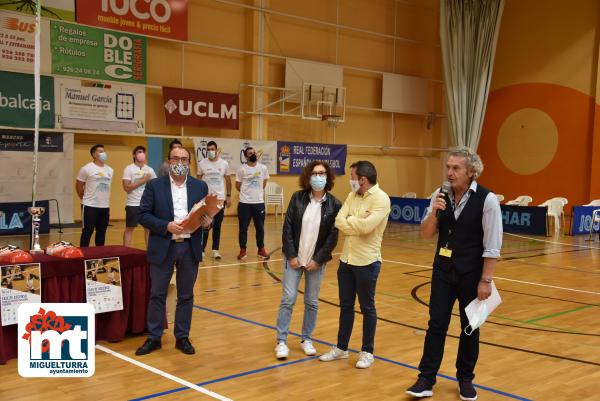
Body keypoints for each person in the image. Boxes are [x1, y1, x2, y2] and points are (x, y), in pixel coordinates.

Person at [405, 146, 502, 401]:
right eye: (448, 167)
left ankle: (465, 379)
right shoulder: (440, 195)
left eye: (456, 168)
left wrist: (486, 280)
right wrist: (436, 212)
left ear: (471, 172)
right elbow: (426, 234)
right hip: (443, 271)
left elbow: (493, 245)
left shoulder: (488, 200)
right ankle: (426, 378)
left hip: (472, 274)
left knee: (470, 327)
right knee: (436, 324)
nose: (450, 172)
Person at [136, 146, 211, 356]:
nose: (180, 163)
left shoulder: (200, 186)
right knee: (157, 294)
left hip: (190, 247)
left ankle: (182, 336)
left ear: (189, 162)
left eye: (184, 159)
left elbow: (205, 217)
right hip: (163, 245)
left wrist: (208, 222)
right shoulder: (154, 186)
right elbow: (143, 215)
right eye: (176, 159)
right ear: (169, 161)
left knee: (186, 295)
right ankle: (154, 337)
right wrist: (165, 226)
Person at [319, 161, 390, 369]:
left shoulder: (381, 199)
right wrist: (353, 223)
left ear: (362, 180)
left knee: (367, 307)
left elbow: (367, 227)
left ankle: (367, 351)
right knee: (345, 306)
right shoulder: (352, 196)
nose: (350, 180)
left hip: (367, 261)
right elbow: (339, 220)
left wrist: (352, 222)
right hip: (347, 260)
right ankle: (341, 348)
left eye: (352, 176)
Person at [274, 161, 342, 360]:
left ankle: (306, 338)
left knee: (311, 302)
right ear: (308, 176)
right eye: (315, 173)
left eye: (322, 173)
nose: (318, 177)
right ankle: (281, 341)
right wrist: (292, 255)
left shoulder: (334, 204)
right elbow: (287, 229)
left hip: (315, 263)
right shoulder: (297, 198)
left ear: (328, 177)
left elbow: (332, 237)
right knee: (288, 299)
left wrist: (318, 260)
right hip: (294, 259)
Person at [197, 140, 232, 259]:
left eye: (212, 149)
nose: (210, 151)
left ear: (216, 150)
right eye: (208, 149)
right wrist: (199, 198)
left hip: (220, 200)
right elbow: (198, 180)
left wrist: (228, 196)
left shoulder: (224, 164)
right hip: (207, 200)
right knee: (206, 226)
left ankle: (215, 250)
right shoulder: (202, 163)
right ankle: (201, 250)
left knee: (218, 226)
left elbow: (228, 180)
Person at [235, 146, 270, 260]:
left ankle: (261, 249)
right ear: (246, 156)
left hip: (259, 203)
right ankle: (243, 250)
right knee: (243, 228)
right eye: (250, 153)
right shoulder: (242, 169)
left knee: (260, 227)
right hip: (244, 203)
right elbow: (238, 185)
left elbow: (264, 183)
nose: (253, 154)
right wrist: (247, 194)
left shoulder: (263, 168)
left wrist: (256, 192)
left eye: (254, 152)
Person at [76, 144, 113, 247]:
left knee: (101, 232)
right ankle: (84, 256)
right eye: (100, 151)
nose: (103, 153)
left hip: (104, 206)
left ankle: (99, 256)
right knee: (87, 231)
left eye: (104, 151)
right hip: (89, 206)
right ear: (94, 154)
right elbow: (79, 186)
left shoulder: (110, 170)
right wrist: (85, 199)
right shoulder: (86, 168)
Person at [122, 146, 157, 247]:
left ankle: (150, 253)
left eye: (143, 152)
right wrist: (144, 180)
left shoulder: (150, 169)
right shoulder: (129, 168)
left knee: (148, 229)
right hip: (133, 204)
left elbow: (156, 186)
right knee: (129, 228)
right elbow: (127, 187)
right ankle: (125, 252)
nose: (142, 154)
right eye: (139, 152)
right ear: (134, 155)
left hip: (147, 204)